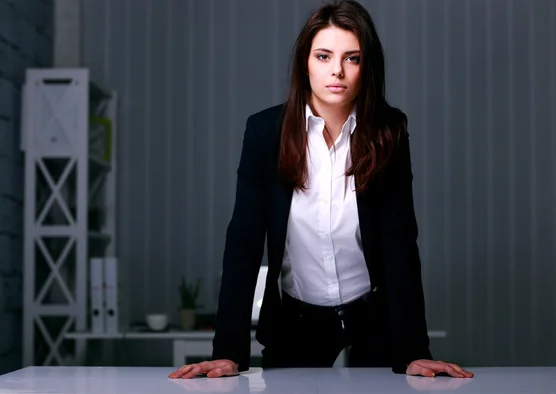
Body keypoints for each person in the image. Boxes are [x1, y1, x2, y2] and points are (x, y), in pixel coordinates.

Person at [169, 0, 473, 380]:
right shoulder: (266, 133)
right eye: (324, 55)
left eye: (352, 58)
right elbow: (244, 241)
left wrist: (415, 350)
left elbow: (400, 242)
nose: (337, 71)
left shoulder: (389, 131)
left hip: (372, 315)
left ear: (367, 66)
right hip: (295, 318)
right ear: (305, 62)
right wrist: (229, 351)